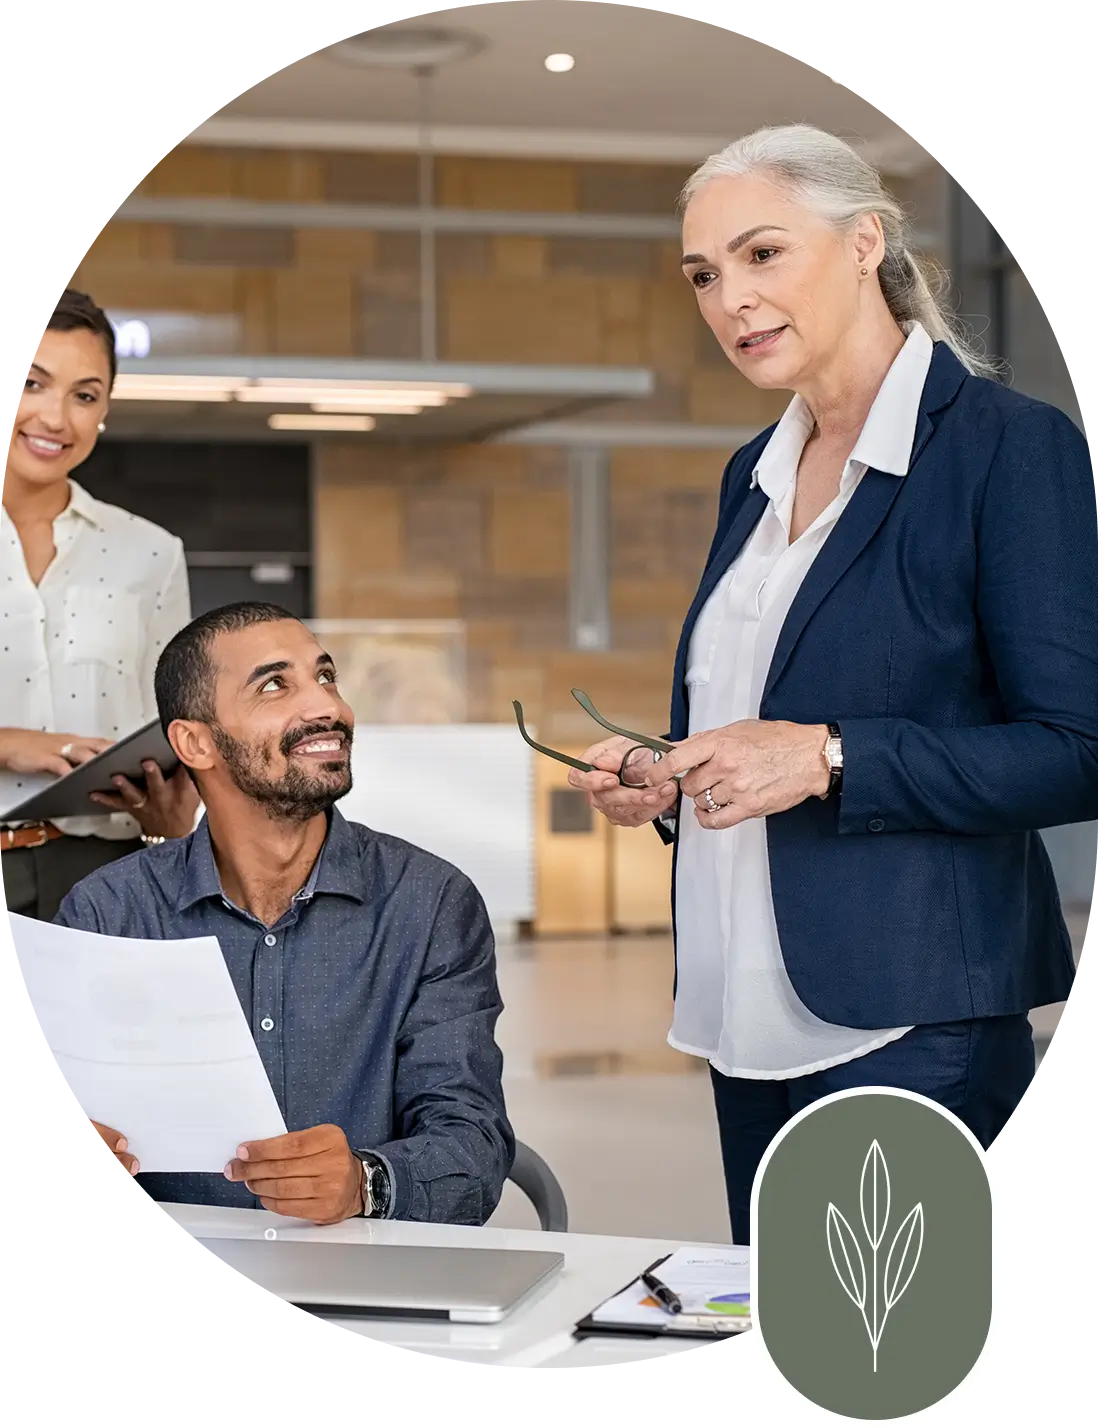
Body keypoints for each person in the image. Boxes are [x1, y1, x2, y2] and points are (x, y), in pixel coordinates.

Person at [568, 124, 1098, 1244]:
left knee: (902, 1376)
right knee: (800, 1363)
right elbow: (747, 723)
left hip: (913, 1017)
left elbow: (1077, 742)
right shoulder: (749, 475)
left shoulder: (1008, 449)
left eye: (763, 255)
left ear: (865, 242)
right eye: (704, 275)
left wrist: (827, 755)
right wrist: (668, 775)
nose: (730, 301)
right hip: (738, 1007)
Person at [55, 601, 514, 1226]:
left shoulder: (430, 903)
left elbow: (474, 1146)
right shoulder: (106, 913)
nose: (329, 707)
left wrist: (365, 1184)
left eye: (326, 677)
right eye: (275, 685)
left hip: (367, 1287)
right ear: (196, 742)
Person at [1, 288, 199, 920]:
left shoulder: (151, 553)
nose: (56, 418)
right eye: (32, 383)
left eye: (84, 395)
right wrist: (8, 742)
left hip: (100, 877)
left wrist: (176, 801)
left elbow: (173, 718)